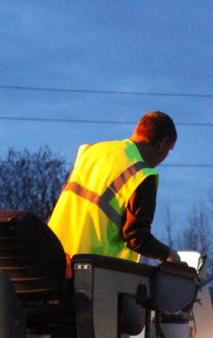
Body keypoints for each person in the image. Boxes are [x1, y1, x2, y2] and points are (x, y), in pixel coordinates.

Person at [48, 111, 178, 266]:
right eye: (168, 150)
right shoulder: (142, 174)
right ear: (162, 144)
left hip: (52, 254)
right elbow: (136, 237)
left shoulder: (92, 151)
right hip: (91, 268)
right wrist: (168, 254)